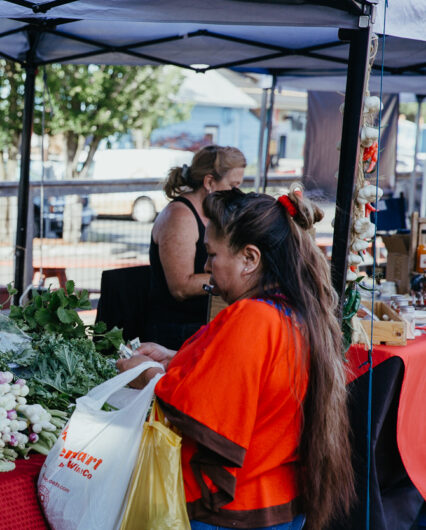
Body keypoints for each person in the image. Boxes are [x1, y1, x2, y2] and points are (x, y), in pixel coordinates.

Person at [119, 188, 354, 529]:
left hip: (238, 510)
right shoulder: (293, 312)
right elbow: (247, 378)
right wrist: (174, 359)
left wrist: (150, 375)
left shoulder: (253, 318)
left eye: (212, 254)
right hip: (277, 501)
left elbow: (201, 406)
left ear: (249, 258)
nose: (205, 265)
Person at [146, 145, 246, 349]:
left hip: (205, 321)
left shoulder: (213, 214)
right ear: (209, 182)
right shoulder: (179, 216)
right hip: (174, 330)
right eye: (233, 185)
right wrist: (239, 277)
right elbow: (181, 287)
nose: (237, 193)